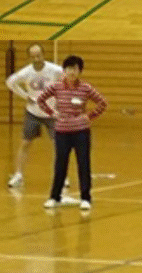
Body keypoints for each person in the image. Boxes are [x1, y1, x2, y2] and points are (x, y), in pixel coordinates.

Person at [37, 55, 108, 210]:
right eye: (69, 68)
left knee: (83, 164)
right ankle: (54, 197)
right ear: (64, 70)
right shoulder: (56, 87)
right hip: (62, 131)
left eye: (75, 69)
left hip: (81, 131)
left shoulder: (85, 88)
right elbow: (40, 99)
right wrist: (52, 113)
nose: (71, 72)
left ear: (80, 71)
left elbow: (102, 103)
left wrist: (89, 116)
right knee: (60, 164)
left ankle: (86, 198)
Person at [5, 43, 64, 188]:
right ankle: (18, 175)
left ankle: (62, 177)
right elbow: (10, 82)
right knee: (25, 143)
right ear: (29, 57)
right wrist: (25, 96)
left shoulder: (54, 70)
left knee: (60, 145)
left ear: (43, 55)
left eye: (39, 55)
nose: (36, 59)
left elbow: (68, 80)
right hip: (33, 113)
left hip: (52, 114)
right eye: (33, 56)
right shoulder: (26, 72)